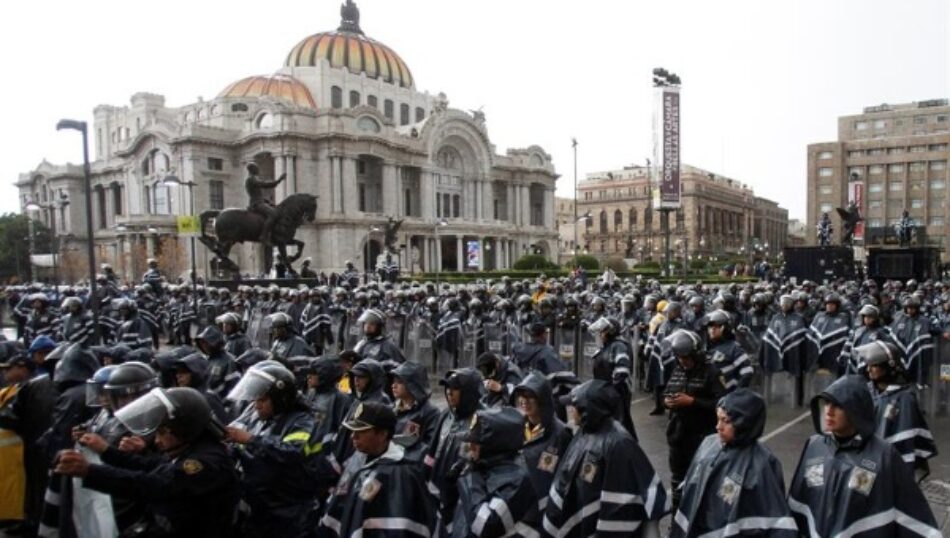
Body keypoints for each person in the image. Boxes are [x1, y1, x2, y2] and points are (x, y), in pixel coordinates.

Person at [54, 387, 239, 538]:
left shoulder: (205, 463)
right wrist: (107, 451)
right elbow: (154, 466)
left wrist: (90, 471)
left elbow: (151, 484)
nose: (157, 441)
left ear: (183, 429)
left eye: (162, 433)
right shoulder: (191, 448)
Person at [787, 375, 940, 537]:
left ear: (856, 410)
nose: (829, 411)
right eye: (826, 403)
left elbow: (912, 513)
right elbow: (798, 503)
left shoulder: (884, 455)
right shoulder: (814, 446)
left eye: (837, 405)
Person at [544, 380, 668, 537]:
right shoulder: (585, 432)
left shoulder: (620, 443)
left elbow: (641, 499)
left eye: (574, 406)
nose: (570, 410)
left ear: (587, 408)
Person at [670, 389, 795, 538]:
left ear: (744, 423)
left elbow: (775, 518)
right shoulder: (709, 444)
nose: (718, 427)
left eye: (726, 421)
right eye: (718, 419)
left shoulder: (762, 464)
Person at [225, 361, 320, 538]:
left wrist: (250, 439)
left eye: (262, 400)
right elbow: (238, 443)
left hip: (288, 514)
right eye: (255, 399)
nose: (256, 405)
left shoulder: (303, 421)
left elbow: (291, 452)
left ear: (280, 399)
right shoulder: (257, 415)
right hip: (258, 508)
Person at [318, 401, 436, 537]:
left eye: (361, 431)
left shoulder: (402, 475)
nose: (353, 436)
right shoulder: (358, 459)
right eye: (353, 431)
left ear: (382, 434)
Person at [448, 407, 540, 537]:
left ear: (492, 447)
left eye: (476, 442)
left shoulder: (518, 480)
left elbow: (485, 526)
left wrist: (470, 478)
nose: (470, 447)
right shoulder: (482, 468)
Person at [663, 329, 725, 509]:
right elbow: (667, 392)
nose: (683, 362)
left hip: (702, 436)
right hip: (678, 436)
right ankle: (677, 519)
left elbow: (722, 403)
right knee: (677, 480)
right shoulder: (678, 370)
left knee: (701, 480)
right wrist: (667, 401)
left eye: (687, 358)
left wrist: (693, 402)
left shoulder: (712, 372)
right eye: (680, 358)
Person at [859, 341, 937, 478]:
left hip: (888, 470)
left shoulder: (904, 399)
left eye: (874, 365)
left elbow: (905, 444)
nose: (868, 369)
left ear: (889, 367)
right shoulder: (868, 391)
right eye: (868, 365)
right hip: (865, 461)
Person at [0, 352, 55, 536]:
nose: (5, 373)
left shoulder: (29, 388)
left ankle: (31, 521)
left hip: (27, 449)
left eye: (10, 368)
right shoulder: (20, 388)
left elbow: (10, 417)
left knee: (35, 489)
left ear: (23, 368)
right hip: (23, 451)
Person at [426, 368, 485, 533]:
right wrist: (426, 474)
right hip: (438, 489)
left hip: (463, 494)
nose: (449, 392)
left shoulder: (482, 419)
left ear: (468, 392)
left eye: (455, 389)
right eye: (447, 388)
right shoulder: (446, 415)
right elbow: (432, 451)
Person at [510, 372, 573, 522]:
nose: (524, 401)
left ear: (542, 398)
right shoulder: (515, 426)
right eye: (521, 396)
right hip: (520, 509)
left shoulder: (561, 434)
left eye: (530, 396)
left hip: (546, 513)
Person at [588, 316, 637, 438]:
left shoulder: (618, 346)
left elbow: (622, 371)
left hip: (617, 393)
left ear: (610, 331)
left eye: (603, 331)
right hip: (606, 392)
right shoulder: (605, 346)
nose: (600, 334)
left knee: (619, 424)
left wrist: (611, 390)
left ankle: (626, 448)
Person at [390, 361, 440, 456]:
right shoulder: (391, 409)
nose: (394, 386)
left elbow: (432, 445)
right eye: (393, 381)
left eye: (400, 382)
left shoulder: (430, 412)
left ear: (412, 385)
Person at [705, 309, 753, 392]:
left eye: (717, 326)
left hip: (727, 397)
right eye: (710, 326)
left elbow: (747, 372)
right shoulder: (706, 347)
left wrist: (736, 394)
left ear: (726, 328)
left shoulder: (734, 348)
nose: (712, 329)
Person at [244, 162, 286, 246]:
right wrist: (279, 180)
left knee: (276, 210)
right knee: (273, 214)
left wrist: (267, 201)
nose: (258, 170)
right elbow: (265, 184)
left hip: (260, 202)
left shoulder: (253, 179)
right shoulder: (251, 179)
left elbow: (259, 192)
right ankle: (263, 236)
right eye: (256, 168)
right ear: (252, 170)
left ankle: (273, 234)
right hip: (256, 204)